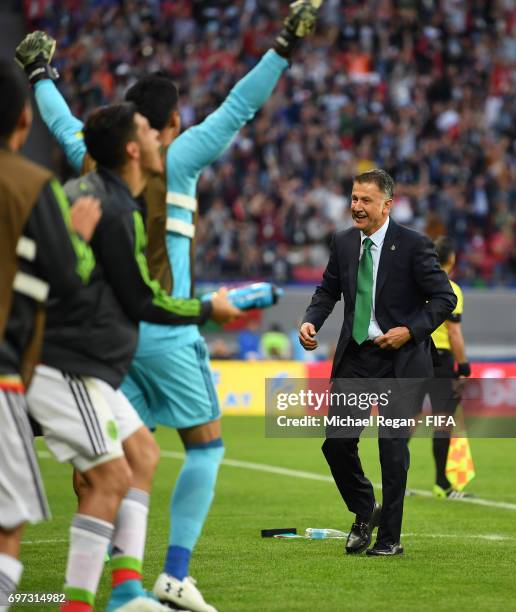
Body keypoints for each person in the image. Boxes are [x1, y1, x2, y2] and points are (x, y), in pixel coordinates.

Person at [15, 5, 319, 609]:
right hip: (167, 326)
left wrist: (42, 73)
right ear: (163, 127)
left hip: (115, 337)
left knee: (124, 459)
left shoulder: (91, 154)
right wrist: (284, 47)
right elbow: (239, 105)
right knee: (205, 445)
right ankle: (172, 574)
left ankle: (112, 576)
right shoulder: (174, 157)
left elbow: (61, 120)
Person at [25, 103, 239, 612]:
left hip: (84, 363)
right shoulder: (118, 210)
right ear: (131, 149)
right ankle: (81, 604)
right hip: (67, 361)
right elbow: (141, 298)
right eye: (148, 131)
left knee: (141, 454)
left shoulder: (96, 194)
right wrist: (209, 307)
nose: (161, 138)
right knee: (110, 477)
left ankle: (125, 593)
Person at [299, 169, 457, 556]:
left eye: (365, 200)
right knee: (336, 445)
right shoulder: (341, 243)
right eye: (354, 198)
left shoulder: (415, 246)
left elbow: (443, 298)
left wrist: (410, 330)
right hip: (357, 357)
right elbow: (327, 291)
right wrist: (311, 319)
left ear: (387, 205)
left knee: (392, 449)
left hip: (401, 360)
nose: (357, 207)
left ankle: (389, 539)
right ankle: (364, 508)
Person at [0, 59, 99, 611]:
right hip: (10, 370)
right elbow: (66, 281)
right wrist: (79, 238)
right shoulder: (31, 184)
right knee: (9, 526)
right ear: (21, 122)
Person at [427, 236, 472, 499]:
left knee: (405, 421)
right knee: (442, 421)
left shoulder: (417, 286)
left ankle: (395, 481)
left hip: (413, 357)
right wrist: (463, 365)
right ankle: (441, 484)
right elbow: (454, 333)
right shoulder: (451, 289)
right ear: (451, 260)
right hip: (441, 361)